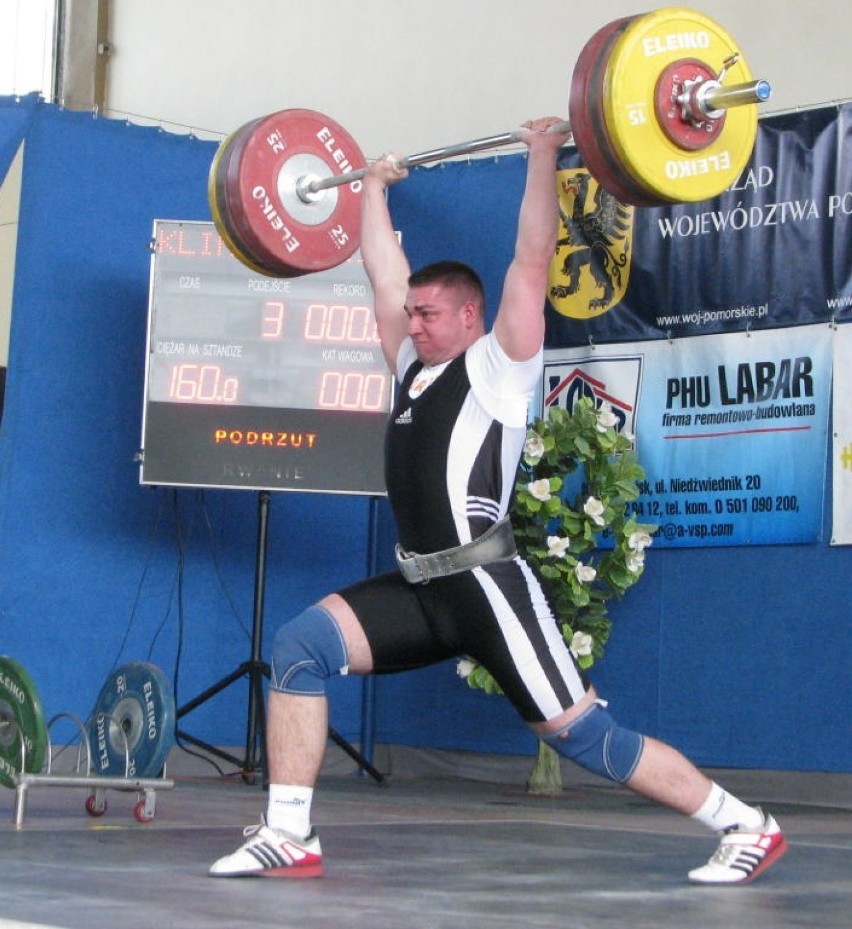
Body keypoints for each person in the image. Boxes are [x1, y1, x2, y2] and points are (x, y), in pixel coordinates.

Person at [209, 117, 787, 885]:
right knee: (298, 648)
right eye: (410, 316)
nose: (410, 323)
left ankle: (745, 824)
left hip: (487, 589)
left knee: (587, 737)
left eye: (427, 314)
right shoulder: (412, 367)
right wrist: (372, 192)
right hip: (422, 589)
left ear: (469, 315)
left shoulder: (500, 367)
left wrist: (544, 155)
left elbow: (532, 256)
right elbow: (382, 274)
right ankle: (291, 832)